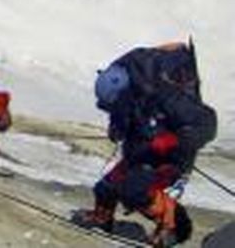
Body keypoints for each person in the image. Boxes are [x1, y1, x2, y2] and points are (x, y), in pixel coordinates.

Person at [74, 42, 217, 247]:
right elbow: (122, 116)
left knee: (136, 191)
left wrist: (173, 141)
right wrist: (117, 128)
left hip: (171, 157)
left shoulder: (167, 94)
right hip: (143, 148)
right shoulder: (129, 88)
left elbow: (207, 124)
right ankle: (101, 218)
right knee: (106, 187)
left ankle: (171, 228)